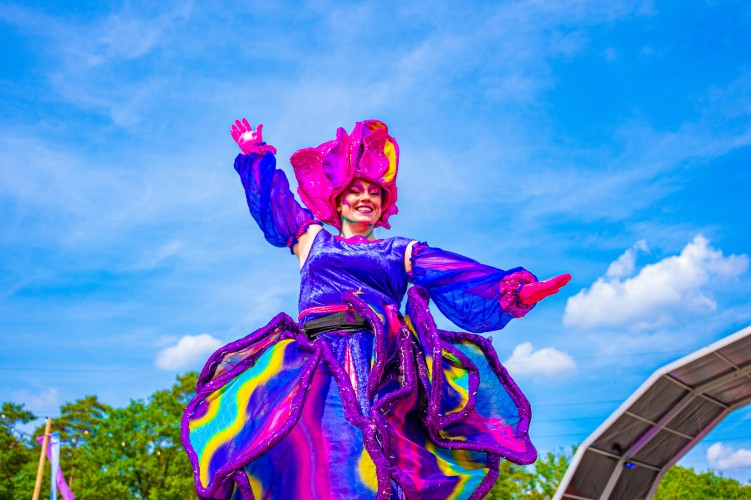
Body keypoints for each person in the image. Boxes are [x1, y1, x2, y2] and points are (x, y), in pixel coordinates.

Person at [181, 118, 570, 500]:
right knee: (314, 455)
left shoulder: (399, 251)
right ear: (339, 200)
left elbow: (455, 273)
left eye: (374, 192)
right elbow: (273, 206)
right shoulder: (311, 239)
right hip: (317, 363)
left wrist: (513, 291)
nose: (365, 197)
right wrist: (256, 156)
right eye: (356, 190)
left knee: (380, 453)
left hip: (380, 368)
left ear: (384, 203)